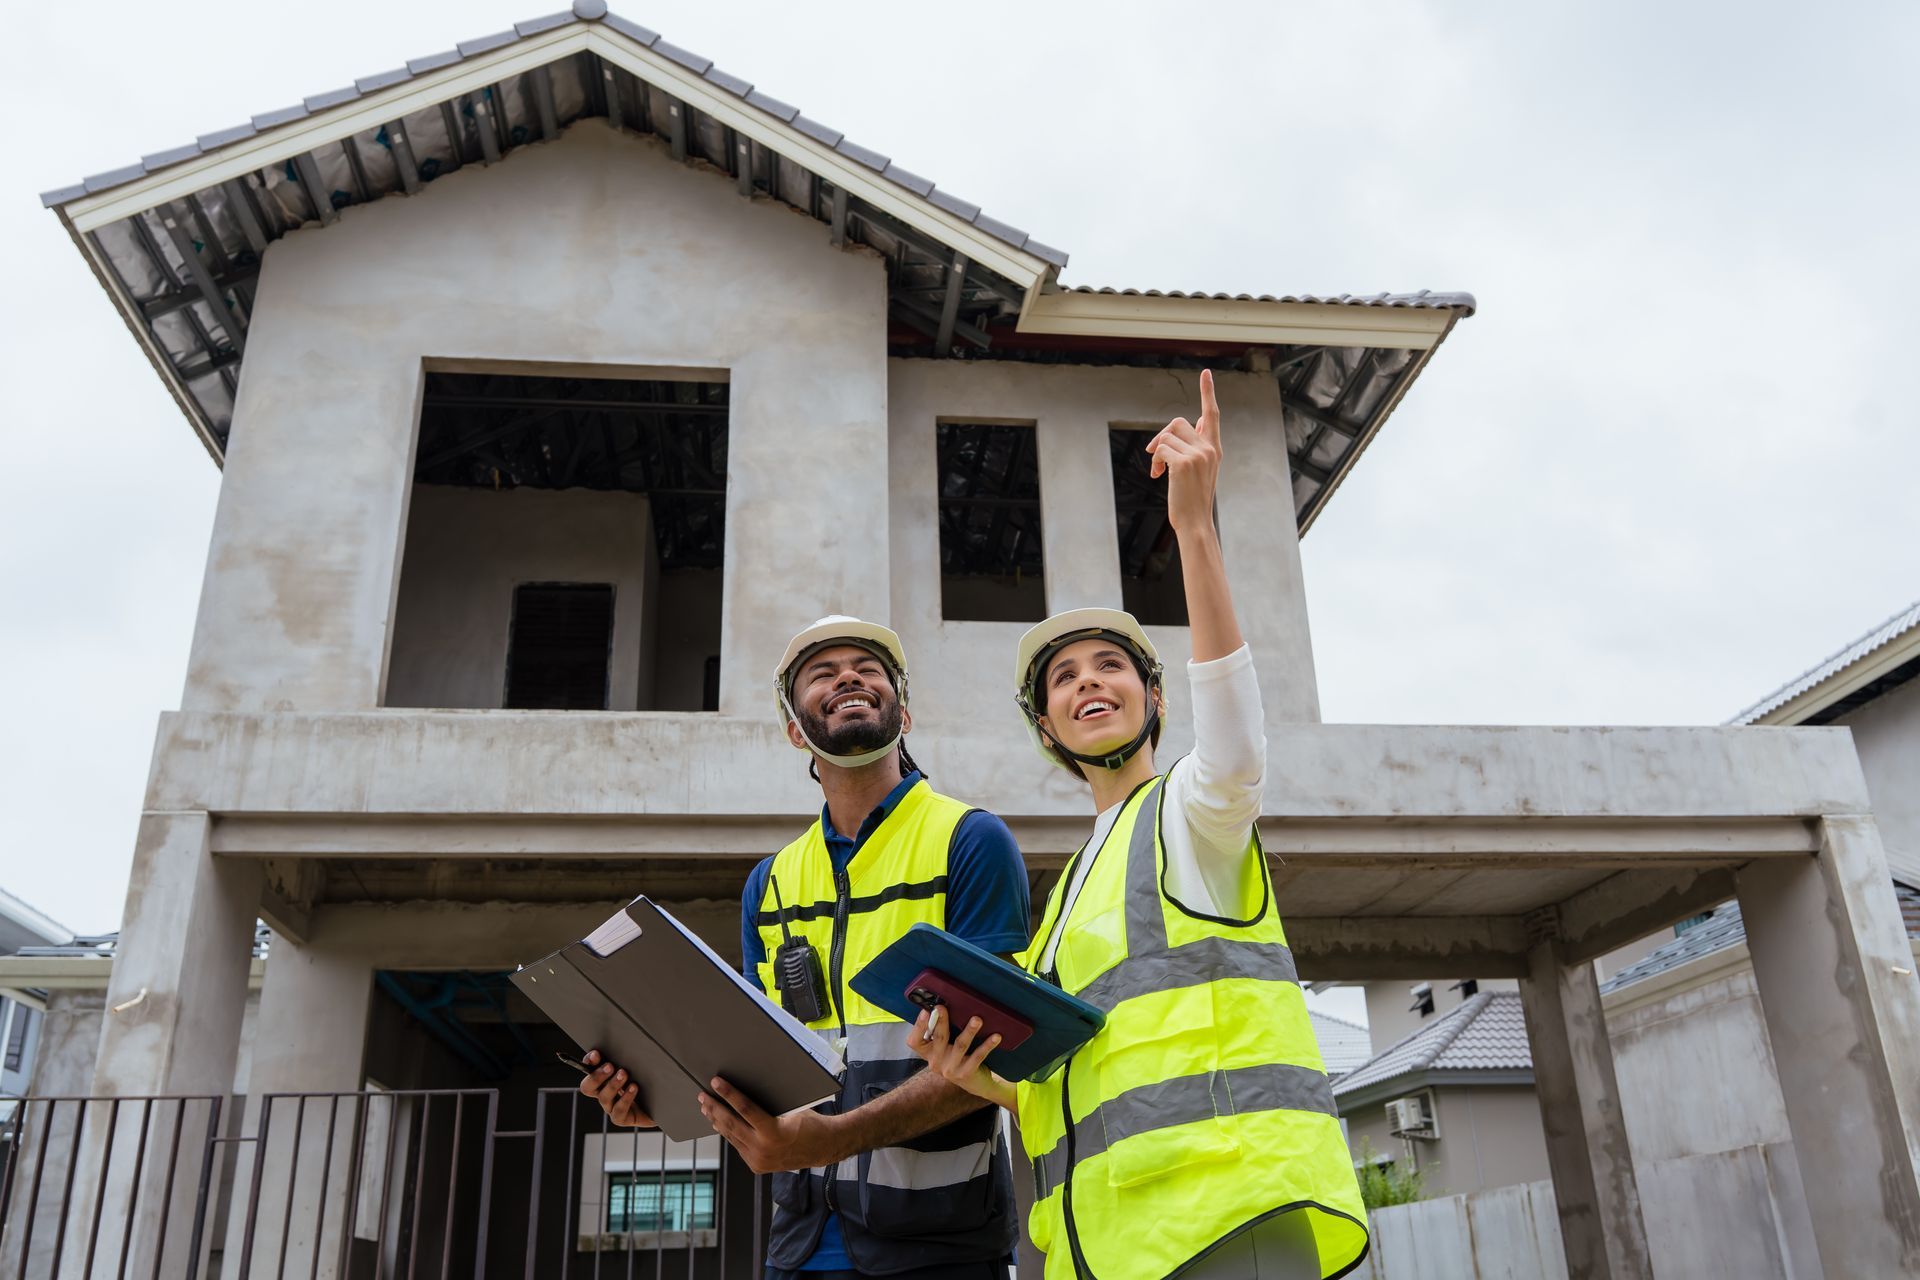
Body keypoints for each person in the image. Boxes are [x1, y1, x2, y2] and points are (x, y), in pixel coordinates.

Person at [907, 370, 1369, 1279]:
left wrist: (1195, 528)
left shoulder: (1192, 812)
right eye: (1064, 678)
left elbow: (1236, 740)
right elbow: (1073, 1090)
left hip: (1228, 1222)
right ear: (1048, 727)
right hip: (1103, 1250)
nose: (1087, 682)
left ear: (1154, 698)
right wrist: (978, 1079)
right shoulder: (1069, 895)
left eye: (1110, 665)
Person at [581, 615, 1029, 1280]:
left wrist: (838, 1138)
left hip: (945, 1246)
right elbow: (757, 1064)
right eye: (823, 672)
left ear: (902, 714)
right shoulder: (770, 884)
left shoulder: (970, 841)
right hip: (800, 1246)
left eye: (866, 668)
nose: (848, 675)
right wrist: (663, 1103)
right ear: (797, 730)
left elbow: (994, 1055)